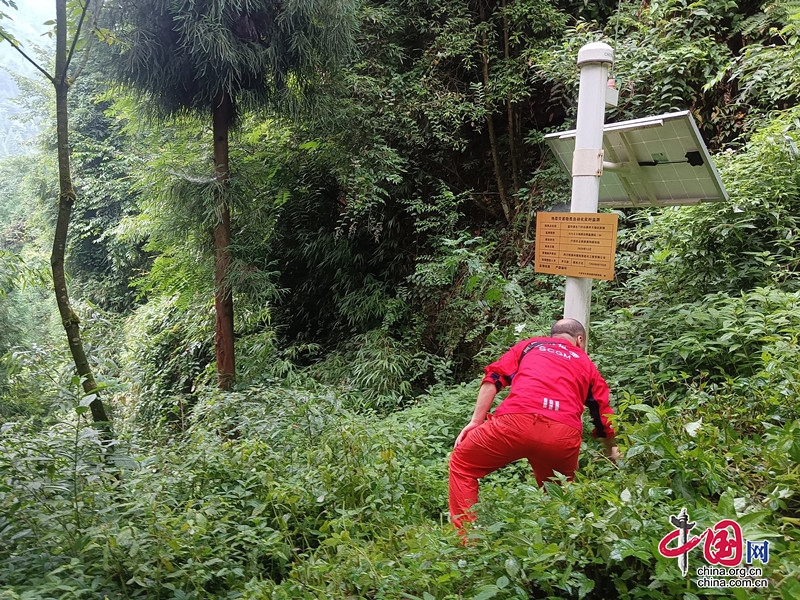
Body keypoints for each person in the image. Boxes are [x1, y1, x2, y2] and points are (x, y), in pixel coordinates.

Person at [448, 318, 620, 530]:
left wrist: (476, 421)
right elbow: (603, 415)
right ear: (580, 339)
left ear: (553, 336)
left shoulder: (531, 345)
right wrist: (611, 450)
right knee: (559, 496)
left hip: (514, 423)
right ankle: (560, 542)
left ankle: (466, 541)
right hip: (562, 434)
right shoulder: (587, 364)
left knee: (463, 465)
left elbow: (493, 378)